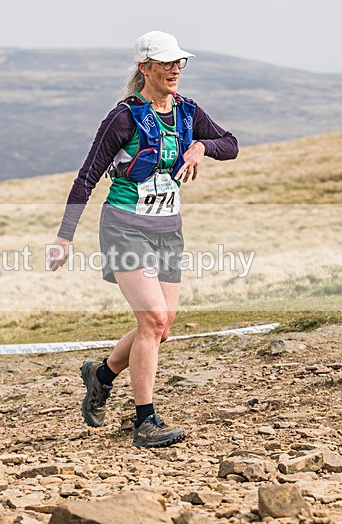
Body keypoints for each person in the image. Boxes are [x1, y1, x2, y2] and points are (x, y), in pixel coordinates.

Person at [48, 31, 238, 448]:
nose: (175, 69)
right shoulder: (123, 117)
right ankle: (145, 422)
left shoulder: (188, 112)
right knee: (151, 320)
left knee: (162, 326)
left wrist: (201, 147)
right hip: (124, 226)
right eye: (167, 62)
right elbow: (87, 177)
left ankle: (100, 376)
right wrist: (64, 237)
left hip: (168, 229)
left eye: (179, 62)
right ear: (144, 67)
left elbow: (232, 145)